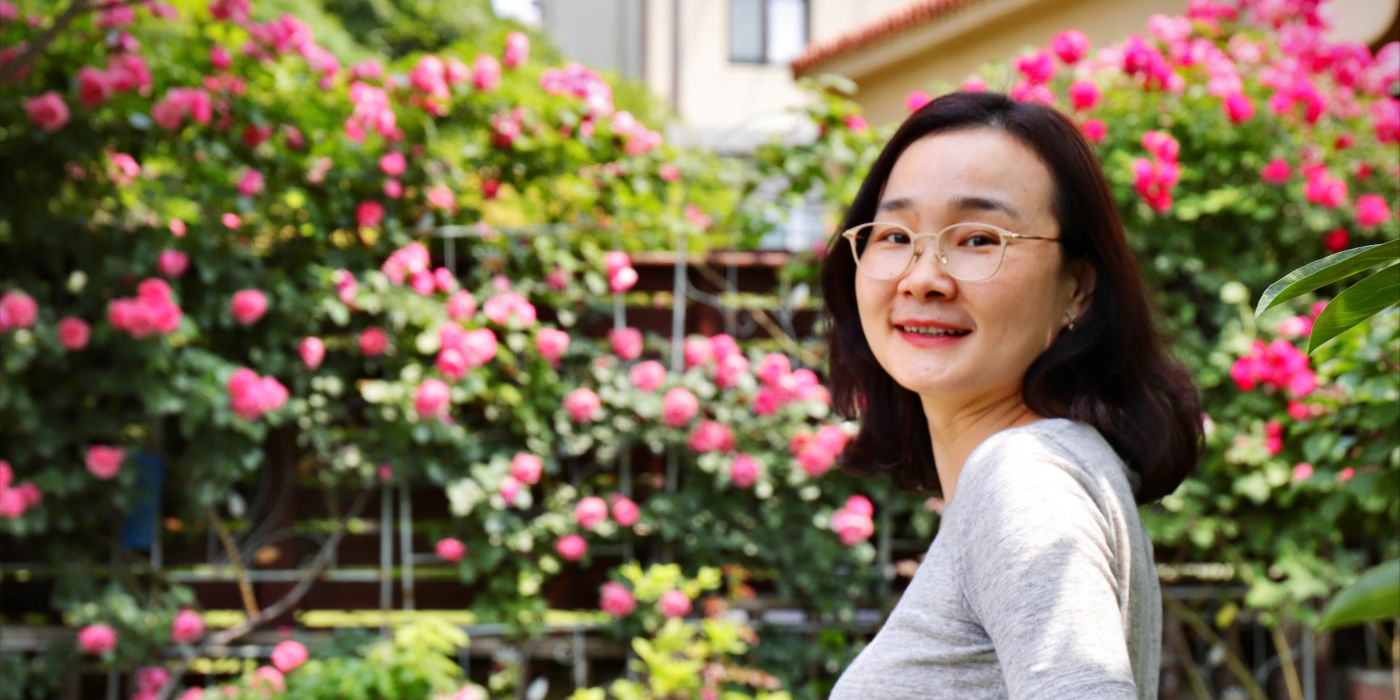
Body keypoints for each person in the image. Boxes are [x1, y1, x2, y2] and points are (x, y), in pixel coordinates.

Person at [822, 91, 1201, 699]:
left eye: (979, 239)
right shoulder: (1045, 468)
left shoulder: (1023, 479)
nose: (923, 278)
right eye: (894, 234)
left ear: (1077, 287)